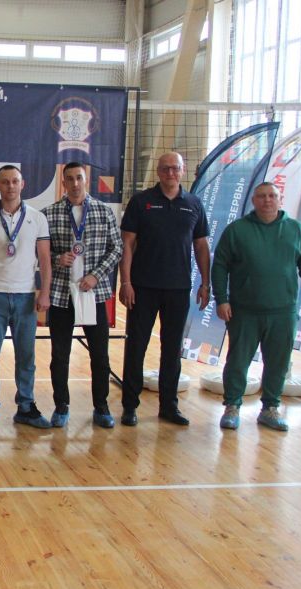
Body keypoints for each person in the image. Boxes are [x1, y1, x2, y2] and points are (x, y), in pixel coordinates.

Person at [212, 182, 301, 432]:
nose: (267, 200)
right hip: (244, 311)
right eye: (262, 196)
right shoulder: (237, 230)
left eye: (272, 196)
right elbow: (220, 266)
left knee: (278, 363)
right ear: (253, 200)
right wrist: (222, 299)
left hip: (283, 312)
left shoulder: (296, 230)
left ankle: (270, 408)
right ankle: (232, 407)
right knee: (238, 361)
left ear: (280, 200)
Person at [119, 152, 210, 426]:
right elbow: (127, 244)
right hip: (142, 288)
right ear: (158, 172)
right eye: (165, 168)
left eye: (175, 168)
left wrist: (206, 283)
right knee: (136, 347)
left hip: (178, 289)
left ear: (183, 171)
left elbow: (201, 246)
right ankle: (129, 406)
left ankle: (169, 406)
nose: (170, 173)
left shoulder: (194, 204)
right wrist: (126, 282)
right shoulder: (141, 202)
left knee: (172, 349)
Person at [0, 165, 52, 429]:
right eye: (5, 182)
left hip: (26, 297)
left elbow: (45, 260)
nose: (10, 186)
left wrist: (44, 292)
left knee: (26, 357)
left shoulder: (37, 218)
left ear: (22, 184)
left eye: (15, 181)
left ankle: (26, 406)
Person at [43, 162, 123, 428]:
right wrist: (57, 259)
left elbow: (116, 248)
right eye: (70, 179)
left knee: (99, 355)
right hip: (61, 294)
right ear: (63, 183)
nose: (75, 183)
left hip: (93, 294)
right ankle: (61, 406)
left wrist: (96, 275)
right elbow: (39, 252)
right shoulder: (49, 214)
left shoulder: (103, 211)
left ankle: (101, 406)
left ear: (86, 179)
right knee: (60, 355)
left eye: (79, 178)